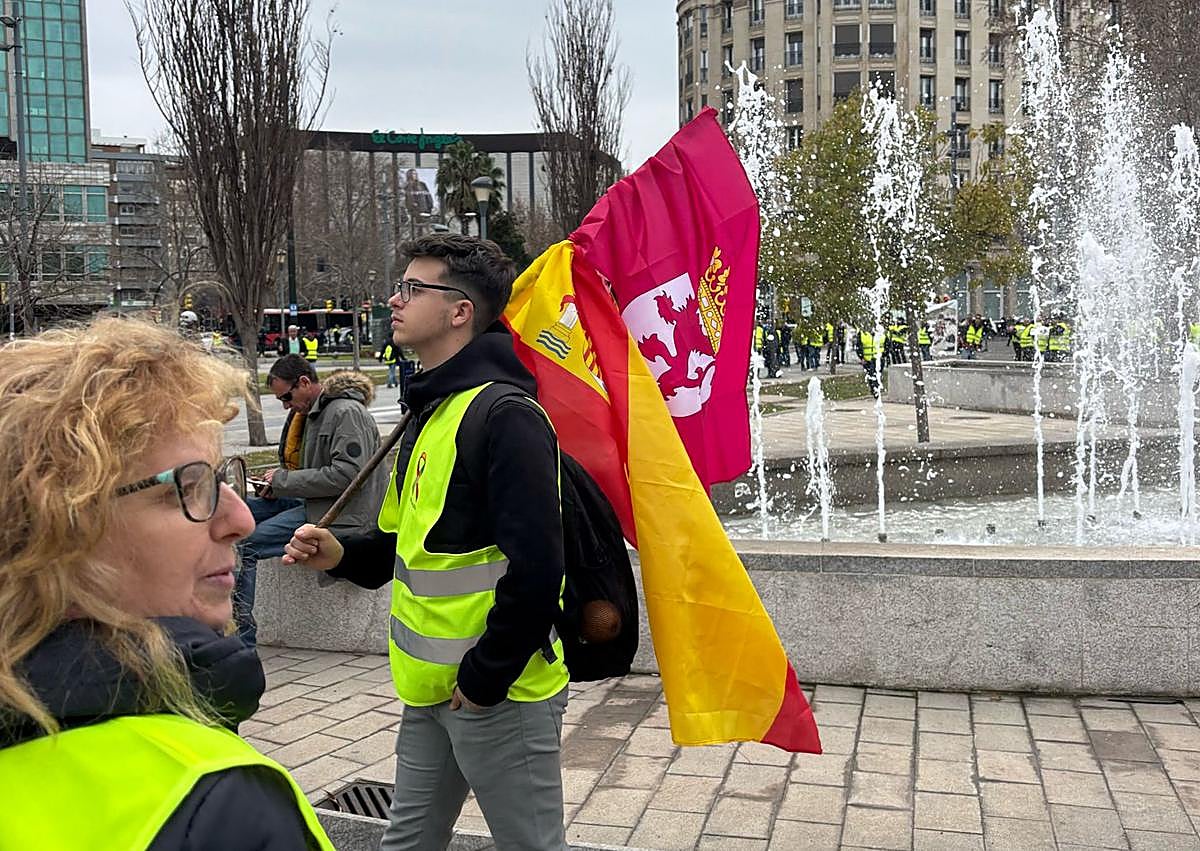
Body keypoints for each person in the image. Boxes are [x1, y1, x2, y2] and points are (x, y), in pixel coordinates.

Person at [0, 318, 334, 850]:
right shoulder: (215, 802)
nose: (238, 520)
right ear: (54, 528)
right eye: (190, 487)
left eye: (223, 479)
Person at [282, 234, 570, 851]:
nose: (394, 298)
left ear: (459, 311)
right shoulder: (429, 413)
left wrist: (485, 678)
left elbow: (541, 570)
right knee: (408, 842)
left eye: (413, 288)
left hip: (498, 694)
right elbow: (399, 545)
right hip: (429, 690)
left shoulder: (505, 416)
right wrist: (340, 554)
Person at [234, 355, 388, 646]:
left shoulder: (345, 412)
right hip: (314, 502)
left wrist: (282, 481)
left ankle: (241, 638)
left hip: (343, 516)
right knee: (235, 515)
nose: (285, 405)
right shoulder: (312, 412)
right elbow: (311, 471)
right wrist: (275, 486)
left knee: (245, 544)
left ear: (304, 382)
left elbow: (348, 477)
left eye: (286, 397)